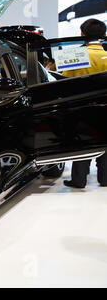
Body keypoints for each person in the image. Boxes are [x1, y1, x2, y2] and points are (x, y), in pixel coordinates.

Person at [63, 18, 107, 189]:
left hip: (82, 109)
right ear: (103, 35)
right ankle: (105, 178)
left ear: (82, 34)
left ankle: (79, 179)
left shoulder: (75, 55)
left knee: (82, 142)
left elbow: (63, 82)